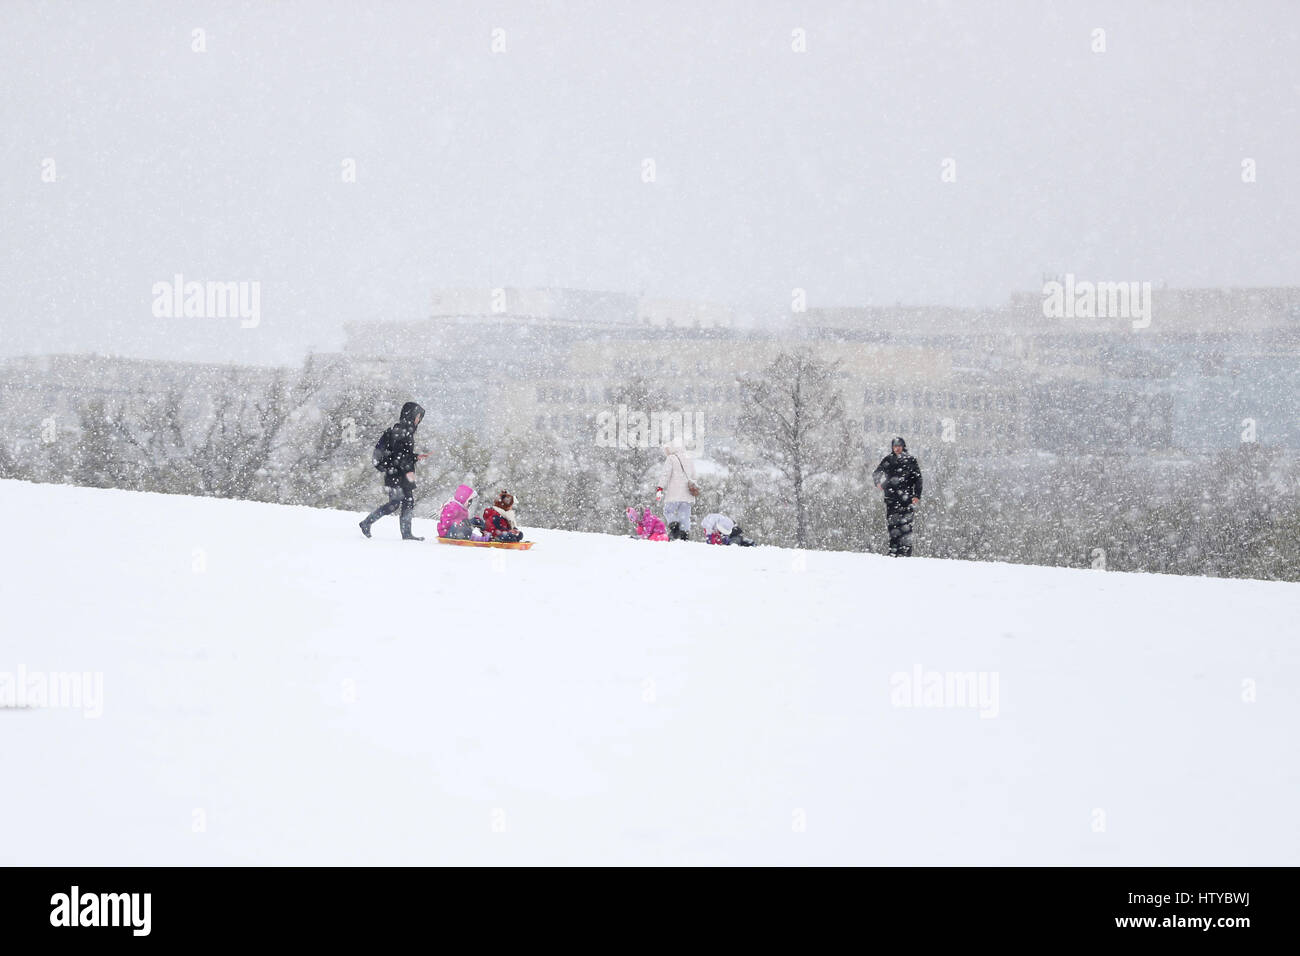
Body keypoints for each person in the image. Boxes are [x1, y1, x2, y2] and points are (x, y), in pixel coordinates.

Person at [359, 401, 427, 540]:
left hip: (401, 473)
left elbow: (402, 454)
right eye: (418, 416)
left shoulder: (406, 430)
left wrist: (415, 457)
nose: (418, 420)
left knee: (406, 501)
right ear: (411, 415)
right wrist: (410, 461)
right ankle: (367, 522)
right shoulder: (402, 430)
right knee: (395, 503)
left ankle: (406, 533)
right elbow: (398, 455)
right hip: (397, 474)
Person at [871, 436, 923, 557]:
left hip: (907, 498)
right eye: (895, 446)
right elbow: (877, 472)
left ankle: (905, 551)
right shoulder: (888, 459)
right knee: (893, 525)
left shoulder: (911, 460)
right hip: (892, 498)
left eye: (899, 446)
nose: (897, 448)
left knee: (906, 525)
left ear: (903, 447)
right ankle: (893, 550)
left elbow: (918, 479)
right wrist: (878, 483)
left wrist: (917, 495)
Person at [655, 442, 697, 541]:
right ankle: (684, 535)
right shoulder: (689, 458)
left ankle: (675, 528)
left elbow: (665, 475)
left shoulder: (671, 458)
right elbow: (694, 476)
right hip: (687, 494)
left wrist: (660, 487)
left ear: (672, 448)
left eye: (667, 449)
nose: (666, 452)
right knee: (685, 515)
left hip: (674, 493)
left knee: (668, 511)